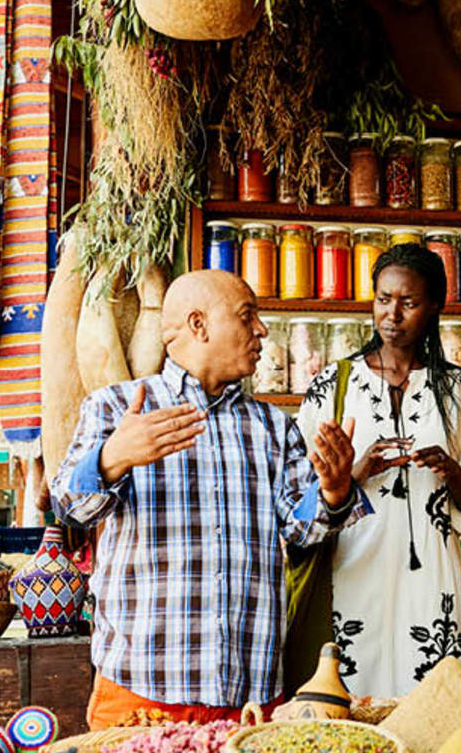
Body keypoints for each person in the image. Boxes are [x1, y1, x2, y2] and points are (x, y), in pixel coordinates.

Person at [51, 269, 367, 728]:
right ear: (198, 325)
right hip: (141, 693)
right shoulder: (117, 407)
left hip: (252, 697)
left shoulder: (272, 426)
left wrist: (334, 493)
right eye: (247, 316)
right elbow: (68, 506)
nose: (261, 329)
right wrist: (110, 459)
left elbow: (302, 530)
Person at [295, 245, 461, 697]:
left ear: (434, 307)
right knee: (350, 702)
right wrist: (353, 474)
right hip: (352, 571)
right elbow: (296, 501)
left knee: (435, 704)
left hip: (433, 578)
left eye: (408, 303)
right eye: (383, 299)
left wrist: (452, 472)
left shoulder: (460, 390)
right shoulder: (333, 385)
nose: (392, 314)